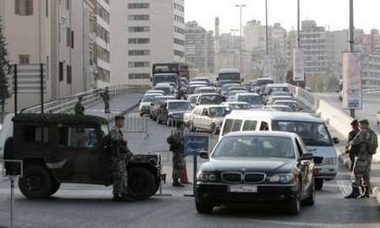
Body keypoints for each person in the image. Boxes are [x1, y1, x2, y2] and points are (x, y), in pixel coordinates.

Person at [345, 119, 375, 199]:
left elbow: (355, 141)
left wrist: (349, 145)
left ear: (365, 124)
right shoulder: (373, 133)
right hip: (369, 158)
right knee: (366, 174)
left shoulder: (363, 132)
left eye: (361, 124)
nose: (360, 126)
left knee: (356, 173)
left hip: (361, 157)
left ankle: (355, 191)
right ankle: (366, 192)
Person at [108, 115, 134, 201]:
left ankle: (116, 194)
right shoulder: (114, 131)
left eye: (123, 121)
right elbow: (114, 139)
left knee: (117, 176)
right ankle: (123, 194)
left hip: (119, 156)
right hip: (117, 157)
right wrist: (122, 140)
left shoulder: (118, 131)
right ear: (116, 122)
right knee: (122, 176)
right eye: (121, 121)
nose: (123, 123)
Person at [167, 121, 185, 187]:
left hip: (177, 151)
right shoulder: (178, 132)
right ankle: (175, 181)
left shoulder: (176, 131)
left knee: (177, 166)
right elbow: (178, 141)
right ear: (180, 125)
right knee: (177, 166)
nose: (184, 127)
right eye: (183, 125)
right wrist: (183, 141)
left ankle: (176, 180)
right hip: (177, 151)